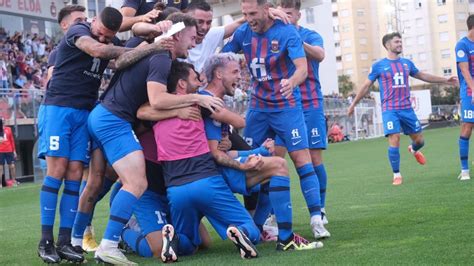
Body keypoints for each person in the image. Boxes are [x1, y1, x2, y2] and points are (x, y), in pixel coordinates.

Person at [36, 6, 173, 264]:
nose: (103, 39)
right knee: (57, 170)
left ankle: (66, 241)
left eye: (108, 36)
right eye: (100, 32)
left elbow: (121, 54)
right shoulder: (80, 30)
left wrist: (146, 25)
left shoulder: (110, 40)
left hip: (84, 112)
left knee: (76, 174)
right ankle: (45, 240)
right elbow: (97, 50)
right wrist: (148, 48)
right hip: (58, 108)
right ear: (94, 22)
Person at [87, 13, 222, 264]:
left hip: (107, 117)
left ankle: (91, 237)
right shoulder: (161, 57)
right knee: (136, 183)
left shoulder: (155, 53)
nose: (194, 44)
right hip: (112, 119)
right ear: (178, 34)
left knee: (116, 180)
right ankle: (108, 244)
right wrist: (197, 98)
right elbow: (158, 99)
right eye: (192, 38)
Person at [222, 0, 330, 239]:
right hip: (258, 109)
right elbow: (223, 54)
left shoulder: (286, 31)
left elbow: (302, 67)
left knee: (303, 159)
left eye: (253, 13)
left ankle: (316, 217)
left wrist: (292, 82)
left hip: (286, 107)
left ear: (266, 9)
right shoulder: (243, 32)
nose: (249, 18)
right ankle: (258, 221)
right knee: (255, 160)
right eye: (245, 13)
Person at [200, 52, 322, 250]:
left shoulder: (207, 99)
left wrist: (259, 151)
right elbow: (217, 152)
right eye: (235, 72)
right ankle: (286, 238)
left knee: (193, 243)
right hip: (212, 175)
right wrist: (245, 161)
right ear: (218, 74)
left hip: (204, 175)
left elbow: (220, 150)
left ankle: (256, 229)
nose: (240, 76)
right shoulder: (208, 101)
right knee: (279, 166)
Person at [143, 60, 259, 262]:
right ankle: (242, 232)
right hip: (207, 182)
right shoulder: (199, 102)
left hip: (176, 189)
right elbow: (239, 121)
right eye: (195, 79)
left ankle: (175, 239)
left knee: (189, 243)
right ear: (181, 84)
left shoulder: (156, 111)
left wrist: (173, 112)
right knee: (251, 229)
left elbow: (140, 111)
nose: (199, 84)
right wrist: (222, 132)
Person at [348, 32, 458, 185]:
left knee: (420, 141)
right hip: (389, 109)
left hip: (407, 109)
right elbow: (366, 86)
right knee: (395, 137)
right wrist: (353, 104)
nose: (400, 44)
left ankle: (413, 149)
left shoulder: (407, 63)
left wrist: (445, 80)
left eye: (400, 42)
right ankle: (396, 174)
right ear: (387, 45)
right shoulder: (378, 65)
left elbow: (423, 76)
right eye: (396, 42)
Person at [278, 0, 329, 225]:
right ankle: (271, 214)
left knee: (315, 157)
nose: (285, 17)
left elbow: (320, 54)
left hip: (311, 103)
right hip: (283, 106)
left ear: (298, 15)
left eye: (289, 13)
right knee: (275, 158)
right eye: (282, 13)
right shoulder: (274, 35)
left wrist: (296, 38)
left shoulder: (310, 35)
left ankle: (321, 208)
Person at [46, 5, 87, 84]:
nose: (84, 24)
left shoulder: (89, 49)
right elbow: (51, 84)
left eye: (85, 20)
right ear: (64, 25)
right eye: (78, 21)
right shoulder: (56, 53)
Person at [456, 14, 474, 181]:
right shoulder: (462, 45)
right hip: (469, 92)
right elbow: (465, 70)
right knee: (467, 127)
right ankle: (465, 170)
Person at [120, 0, 188, 32]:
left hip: (175, 43)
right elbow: (121, 24)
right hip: (146, 42)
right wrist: (142, 18)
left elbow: (187, 18)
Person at [0, 118, 17, 186]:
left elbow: (11, 140)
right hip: (0, 151)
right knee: (0, 168)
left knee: (12, 166)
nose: (3, 121)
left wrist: (14, 150)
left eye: (3, 120)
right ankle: (0, 183)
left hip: (9, 150)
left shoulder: (8, 129)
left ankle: (14, 181)